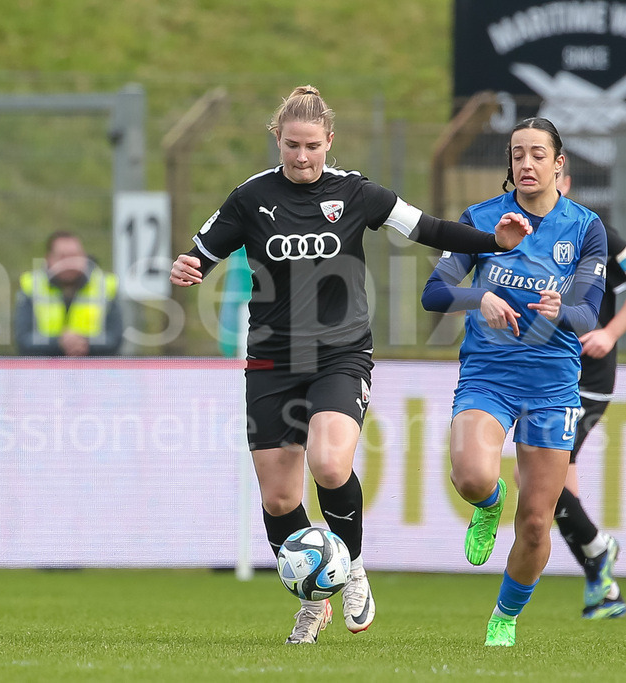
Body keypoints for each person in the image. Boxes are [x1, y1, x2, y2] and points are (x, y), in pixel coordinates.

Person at [170, 85, 531, 645]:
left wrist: (495, 243)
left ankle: (354, 569)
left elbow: (428, 228)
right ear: (278, 140)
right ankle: (314, 603)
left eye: (312, 145)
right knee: (279, 498)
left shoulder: (356, 193)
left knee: (331, 465)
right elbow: (204, 250)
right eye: (291, 145)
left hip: (340, 352)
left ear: (329, 142)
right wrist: (189, 266)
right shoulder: (251, 198)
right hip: (272, 359)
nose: (301, 156)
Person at [421, 117, 608, 647]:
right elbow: (435, 293)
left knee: (535, 524)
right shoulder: (482, 220)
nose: (526, 164)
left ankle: (504, 617)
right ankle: (487, 504)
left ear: (558, 164)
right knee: (472, 476)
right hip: (489, 374)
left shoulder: (584, 227)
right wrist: (477, 296)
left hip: (552, 384)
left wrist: (562, 308)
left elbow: (588, 316)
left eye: (537, 155)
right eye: (517, 154)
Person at [546, 163, 626, 619]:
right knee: (556, 485)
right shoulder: (522, 234)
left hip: (586, 378)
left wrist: (611, 333)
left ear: (566, 183)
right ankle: (602, 581)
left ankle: (598, 552)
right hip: (547, 372)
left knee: (540, 477)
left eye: (552, 174)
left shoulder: (597, 232)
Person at [14, 231, 123, 356]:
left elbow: (115, 340)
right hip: (44, 372)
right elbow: (24, 341)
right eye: (62, 257)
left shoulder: (106, 286)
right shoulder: (31, 287)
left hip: (95, 372)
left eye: (75, 256)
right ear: (48, 259)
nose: (70, 263)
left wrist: (84, 342)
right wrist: (59, 343)